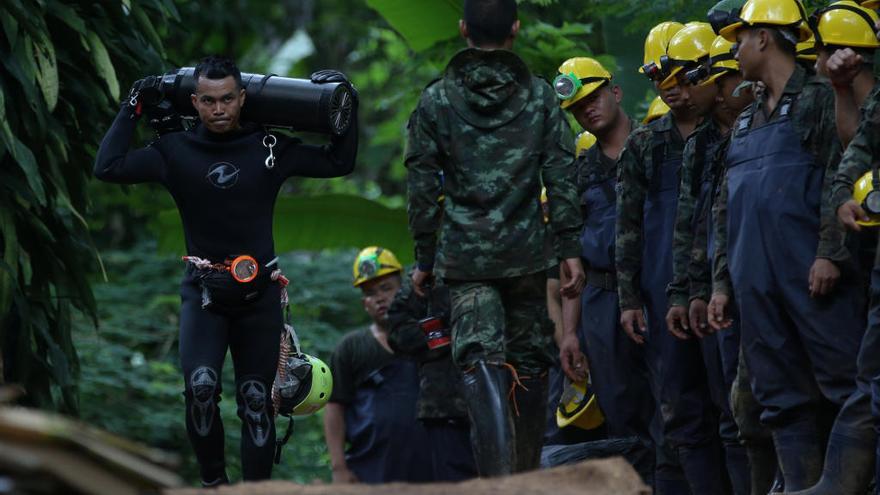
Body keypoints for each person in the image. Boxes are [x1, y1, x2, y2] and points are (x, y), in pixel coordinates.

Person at [93, 55, 358, 485]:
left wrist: (349, 104)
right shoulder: (173, 151)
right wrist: (133, 105)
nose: (219, 110)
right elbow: (108, 167)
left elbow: (338, 162)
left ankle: (255, 492)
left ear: (243, 98)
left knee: (257, 399)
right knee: (200, 390)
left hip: (260, 296)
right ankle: (214, 486)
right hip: (203, 295)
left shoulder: (268, 147)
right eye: (210, 101)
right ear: (194, 102)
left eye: (228, 99)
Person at [405, 0, 585, 477]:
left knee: (479, 358)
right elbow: (562, 175)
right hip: (528, 256)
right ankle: (521, 478)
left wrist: (424, 258)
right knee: (528, 364)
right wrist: (569, 248)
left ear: (463, 29)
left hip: (466, 262)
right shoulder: (543, 97)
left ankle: (499, 483)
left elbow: (422, 186)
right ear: (516, 30)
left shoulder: (436, 100)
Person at [709, 0, 872, 491]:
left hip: (813, 278)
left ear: (764, 38)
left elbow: (838, 179)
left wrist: (830, 252)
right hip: (757, 289)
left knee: (848, 389)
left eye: (741, 37)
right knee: (779, 402)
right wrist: (722, 284)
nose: (734, 48)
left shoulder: (821, 97)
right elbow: (725, 209)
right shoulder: (744, 119)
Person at [617, 21, 724, 494]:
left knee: (729, 400)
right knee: (679, 407)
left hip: (718, 285)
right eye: (665, 81)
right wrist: (628, 300)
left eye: (683, 78)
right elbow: (627, 229)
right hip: (663, 297)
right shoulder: (645, 144)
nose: (676, 91)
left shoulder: (723, 131)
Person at [554, 56, 657, 485]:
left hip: (657, 287)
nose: (588, 109)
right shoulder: (581, 172)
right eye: (578, 107)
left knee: (678, 402)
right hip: (601, 300)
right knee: (620, 412)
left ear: (615, 92)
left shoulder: (658, 145)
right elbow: (571, 267)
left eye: (593, 98)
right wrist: (570, 333)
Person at [322, 247, 433, 484]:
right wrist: (339, 467)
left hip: (431, 464)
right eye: (371, 293)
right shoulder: (351, 347)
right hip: (370, 468)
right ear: (365, 304)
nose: (380, 297)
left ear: (403, 289)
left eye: (386, 288)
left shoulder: (429, 337)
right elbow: (334, 407)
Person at [385, 267, 477, 481]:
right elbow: (399, 336)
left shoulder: (488, 268)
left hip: (500, 395)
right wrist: (449, 333)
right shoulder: (417, 283)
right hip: (445, 407)